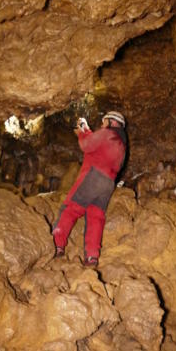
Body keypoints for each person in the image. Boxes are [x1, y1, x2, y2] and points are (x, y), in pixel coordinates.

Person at [52, 111, 127, 267]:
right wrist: (86, 130)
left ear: (112, 122)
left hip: (93, 177)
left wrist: (82, 132)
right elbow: (98, 145)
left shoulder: (107, 133)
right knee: (96, 217)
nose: (102, 124)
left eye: (104, 121)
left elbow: (87, 145)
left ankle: (57, 245)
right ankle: (92, 257)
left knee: (70, 208)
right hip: (108, 184)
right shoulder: (121, 144)